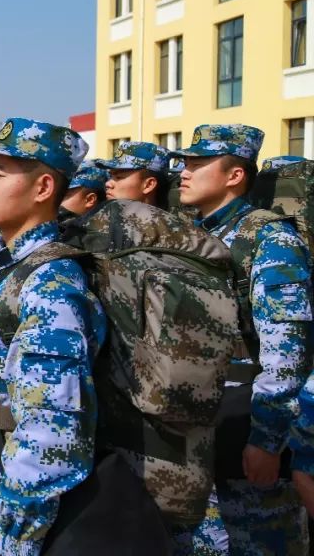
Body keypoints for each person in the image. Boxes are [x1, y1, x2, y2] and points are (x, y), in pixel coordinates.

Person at [0, 118, 106, 555]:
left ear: (43, 188)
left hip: (15, 505)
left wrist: (18, 528)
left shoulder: (50, 281)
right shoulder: (4, 265)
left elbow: (52, 424)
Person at [170, 124, 311, 555]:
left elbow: (287, 349)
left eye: (199, 162)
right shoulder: (191, 238)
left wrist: (266, 440)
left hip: (244, 432)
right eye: (185, 162)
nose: (185, 172)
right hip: (194, 433)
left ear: (234, 175)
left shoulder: (269, 239)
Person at [95, 140, 169, 207]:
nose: (108, 184)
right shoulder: (101, 218)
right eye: (110, 176)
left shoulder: (166, 221)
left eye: (119, 177)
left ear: (149, 185)